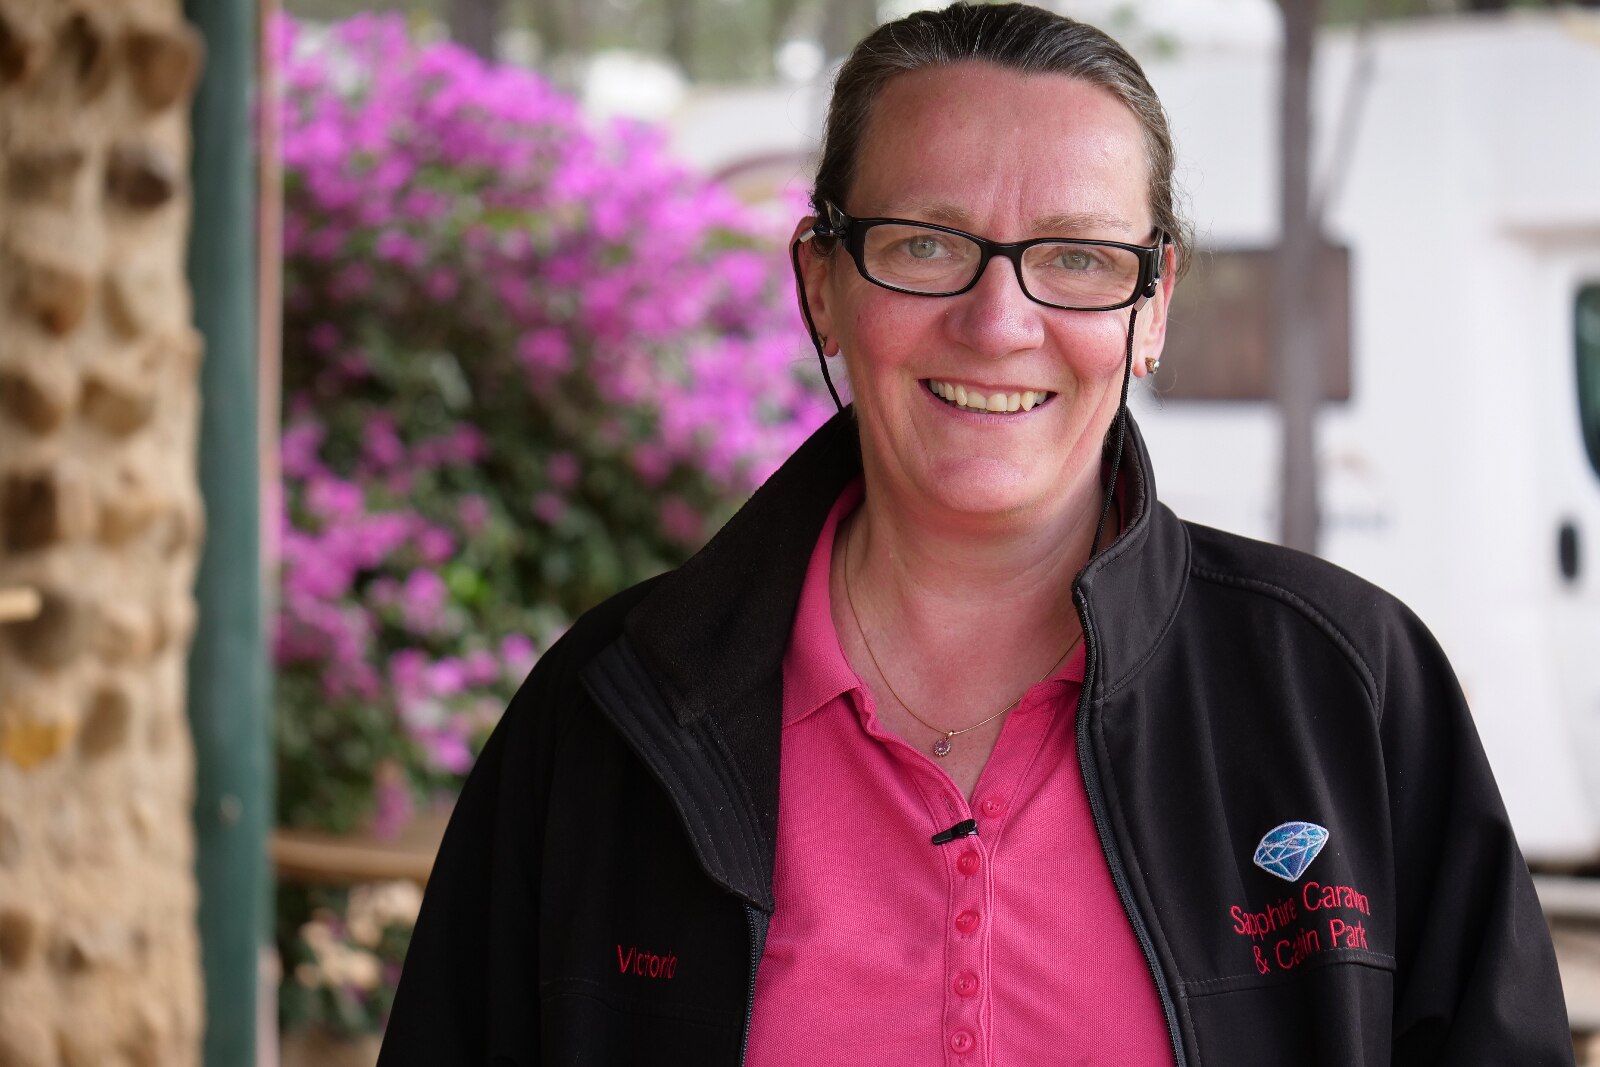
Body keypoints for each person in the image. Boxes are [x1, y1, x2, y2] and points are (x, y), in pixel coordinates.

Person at [377, 4, 1573, 1064]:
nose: (998, 322)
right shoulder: (608, 715)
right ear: (821, 285)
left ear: (1150, 308)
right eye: (925, 245)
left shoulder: (1344, 688)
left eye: (1077, 257)